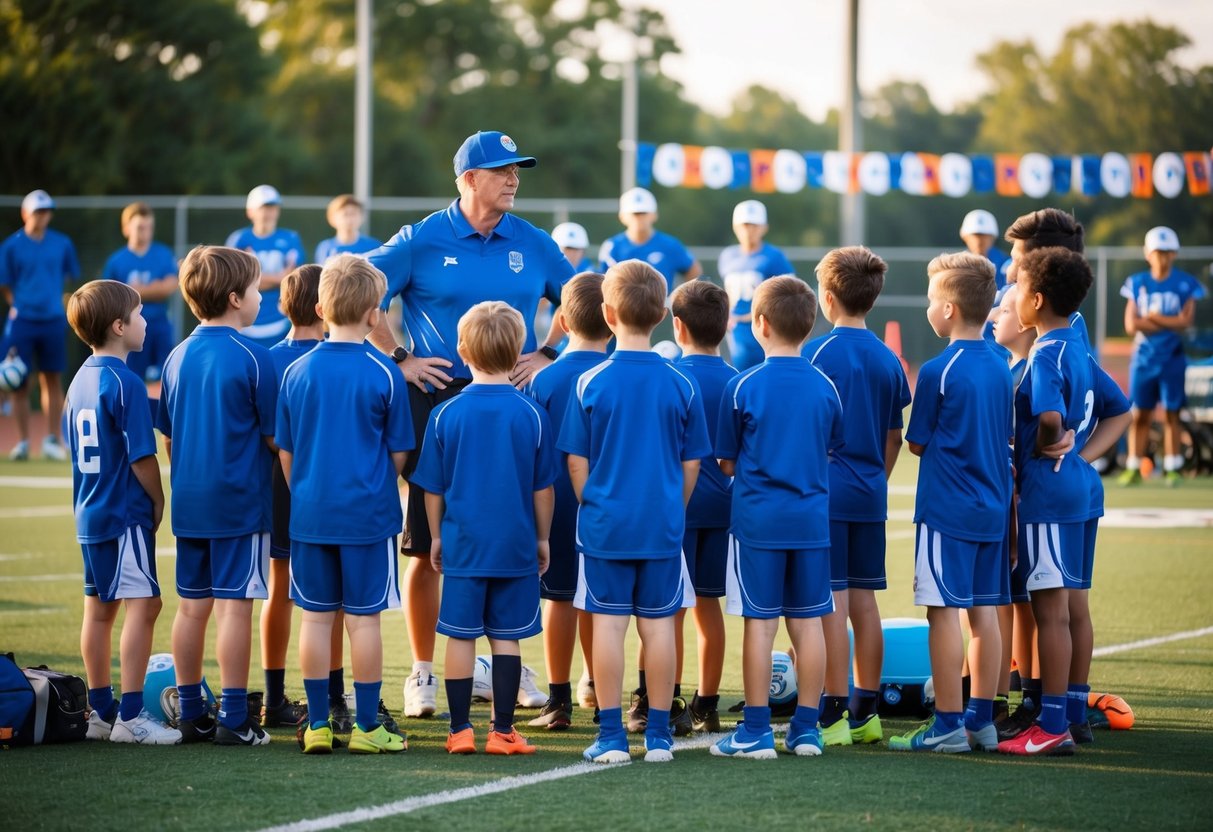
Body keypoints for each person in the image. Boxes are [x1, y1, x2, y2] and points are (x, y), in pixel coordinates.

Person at [366, 130, 574, 718]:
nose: (514, 179)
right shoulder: (421, 238)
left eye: (517, 170)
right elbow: (360, 288)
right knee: (427, 546)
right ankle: (425, 672)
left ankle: (501, 663)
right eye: (501, 170)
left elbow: (584, 297)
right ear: (467, 180)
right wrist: (398, 359)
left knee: (512, 536)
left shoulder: (532, 242)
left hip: (514, 406)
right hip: (441, 403)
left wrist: (548, 353)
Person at [560, 260, 710, 764]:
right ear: (665, 314)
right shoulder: (680, 383)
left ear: (606, 313)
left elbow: (575, 461)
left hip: (606, 525)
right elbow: (692, 463)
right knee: (659, 625)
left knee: (607, 624)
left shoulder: (591, 382)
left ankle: (610, 735)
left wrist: (594, 500)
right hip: (662, 525)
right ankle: (661, 735)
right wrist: (673, 504)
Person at [277, 254, 411, 755]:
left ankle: (316, 725)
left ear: (318, 306)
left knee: (314, 619)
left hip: (310, 513)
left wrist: (308, 492)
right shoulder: (385, 373)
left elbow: (286, 453)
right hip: (368, 516)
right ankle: (367, 727)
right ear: (376, 314)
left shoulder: (296, 371)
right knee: (364, 621)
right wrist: (376, 485)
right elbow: (399, 451)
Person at [411, 301, 557, 755]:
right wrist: (542, 537)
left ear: (460, 350)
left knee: (459, 634)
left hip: (463, 544)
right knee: (506, 637)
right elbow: (543, 490)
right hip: (514, 544)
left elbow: (432, 489)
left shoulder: (445, 414)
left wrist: (435, 535)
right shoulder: (531, 413)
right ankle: (504, 732)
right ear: (518, 352)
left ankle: (459, 732)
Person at [710, 276, 842, 760]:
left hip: (758, 524)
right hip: (810, 523)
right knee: (809, 623)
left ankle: (756, 730)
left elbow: (726, 461)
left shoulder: (743, 385)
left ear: (760, 325)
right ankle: (807, 729)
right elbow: (829, 448)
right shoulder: (826, 387)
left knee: (760, 625)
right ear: (809, 327)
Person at [891, 252, 1011, 754]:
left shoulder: (941, 369)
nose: (927, 309)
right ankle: (980, 720)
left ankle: (945, 725)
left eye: (930, 300)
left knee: (942, 613)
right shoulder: (1003, 364)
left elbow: (916, 442)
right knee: (984, 614)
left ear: (950, 309)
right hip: (993, 508)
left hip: (947, 510)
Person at [157, 245, 277, 747]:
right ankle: (232, 716)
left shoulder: (176, 355)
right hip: (239, 504)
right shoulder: (255, 356)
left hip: (190, 502)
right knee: (234, 609)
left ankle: (191, 713)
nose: (259, 297)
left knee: (190, 608)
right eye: (254, 289)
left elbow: (167, 435)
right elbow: (276, 437)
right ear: (234, 298)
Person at [803, 247, 911, 747]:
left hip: (826, 496)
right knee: (866, 603)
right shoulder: (889, 359)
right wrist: (877, 478)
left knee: (831, 602)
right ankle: (867, 710)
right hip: (870, 493)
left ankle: (832, 714)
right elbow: (894, 435)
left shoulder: (816, 354)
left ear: (827, 297)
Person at [65, 279, 179, 745]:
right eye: (139, 313)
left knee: (99, 611)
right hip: (123, 512)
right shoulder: (124, 381)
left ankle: (100, 710)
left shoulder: (80, 380)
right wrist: (157, 498)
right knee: (145, 605)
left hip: (90, 514)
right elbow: (141, 457)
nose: (146, 320)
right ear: (119, 326)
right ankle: (131, 717)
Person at [997, 247, 1094, 757]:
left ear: (1035, 299)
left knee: (1051, 613)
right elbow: (1114, 408)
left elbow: (1052, 416)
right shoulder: (1076, 344)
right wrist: (1079, 445)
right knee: (1063, 608)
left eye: (1015, 288)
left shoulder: (1046, 353)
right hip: (1072, 489)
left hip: (1049, 494)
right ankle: (1067, 714)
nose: (1009, 296)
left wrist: (1045, 440)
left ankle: (1052, 723)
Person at [523, 272, 611, 731]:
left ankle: (558, 700)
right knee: (596, 601)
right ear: (613, 322)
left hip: (553, 503)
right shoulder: (614, 376)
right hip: (603, 505)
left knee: (558, 599)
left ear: (561, 318)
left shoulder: (544, 379)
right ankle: (599, 689)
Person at [670, 279, 737, 734]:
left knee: (668, 611)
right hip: (725, 510)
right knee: (709, 609)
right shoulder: (738, 379)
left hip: (677, 509)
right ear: (726, 325)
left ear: (677, 327)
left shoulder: (671, 378)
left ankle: (666, 699)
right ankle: (706, 703)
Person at [261, 265, 323, 731]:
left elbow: (269, 435)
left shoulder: (266, 359)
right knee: (332, 599)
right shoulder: (340, 358)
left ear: (283, 305)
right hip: (322, 487)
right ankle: (337, 697)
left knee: (279, 589)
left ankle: (275, 696)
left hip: (279, 487)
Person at [1118, 226, 1205, 487]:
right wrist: (1169, 321)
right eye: (1158, 252)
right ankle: (1133, 465)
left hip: (1173, 358)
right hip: (1144, 358)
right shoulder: (1137, 282)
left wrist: (1153, 318)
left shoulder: (1186, 283)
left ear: (1174, 254)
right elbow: (1132, 325)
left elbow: (1186, 322)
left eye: (1167, 252)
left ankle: (1173, 466)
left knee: (1172, 413)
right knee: (1140, 414)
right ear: (1148, 254)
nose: (1162, 258)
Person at [0, 189, 79, 461]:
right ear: (25, 213)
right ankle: (22, 442)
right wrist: (19, 306)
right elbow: (5, 283)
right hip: (22, 322)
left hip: (53, 320)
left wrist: (52, 302)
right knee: (19, 382)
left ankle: (51, 439)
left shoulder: (62, 243)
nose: (43, 216)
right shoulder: (11, 246)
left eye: (46, 211)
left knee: (52, 379)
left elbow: (68, 277)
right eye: (37, 211)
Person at [101, 202, 179, 383]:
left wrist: (133, 290)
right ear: (126, 228)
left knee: (165, 381)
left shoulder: (163, 254)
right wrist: (154, 287)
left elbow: (169, 287)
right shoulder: (116, 261)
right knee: (131, 380)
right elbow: (110, 297)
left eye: (149, 227)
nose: (146, 232)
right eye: (140, 227)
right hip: (128, 328)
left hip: (159, 325)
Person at [225, 185, 305, 347]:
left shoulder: (290, 237)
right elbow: (233, 282)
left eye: (272, 207)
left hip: (281, 319)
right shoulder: (239, 239)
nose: (268, 212)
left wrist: (252, 278)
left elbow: (292, 280)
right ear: (250, 211)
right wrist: (278, 278)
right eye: (263, 207)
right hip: (243, 321)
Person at [718, 200, 794, 370]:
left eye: (754, 225)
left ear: (764, 227)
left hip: (767, 329)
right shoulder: (727, 256)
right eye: (744, 225)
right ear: (735, 226)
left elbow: (791, 298)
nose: (749, 230)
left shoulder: (774, 257)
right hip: (735, 332)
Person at [598, 188, 701, 295]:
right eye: (634, 213)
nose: (639, 217)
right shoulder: (611, 247)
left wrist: (679, 298)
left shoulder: (670, 245)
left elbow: (693, 269)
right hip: (621, 310)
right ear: (622, 216)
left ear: (654, 215)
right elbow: (603, 281)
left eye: (644, 212)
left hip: (661, 309)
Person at [314, 195, 381, 265]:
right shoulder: (325, 247)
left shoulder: (374, 246)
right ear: (332, 218)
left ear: (362, 217)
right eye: (345, 214)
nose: (350, 219)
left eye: (353, 214)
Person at [960, 209, 1011, 288]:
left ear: (993, 237)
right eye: (975, 235)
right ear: (964, 237)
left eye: (985, 235)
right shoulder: (957, 266)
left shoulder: (1008, 266)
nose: (979, 240)